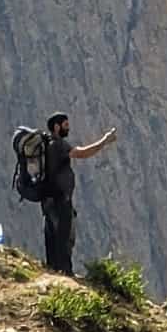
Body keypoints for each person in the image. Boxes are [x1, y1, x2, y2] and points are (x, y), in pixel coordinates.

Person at [40, 112, 116, 275]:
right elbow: (81, 153)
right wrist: (105, 141)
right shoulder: (59, 144)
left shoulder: (46, 146)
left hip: (47, 201)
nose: (68, 128)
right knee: (64, 238)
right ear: (56, 127)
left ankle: (53, 271)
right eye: (65, 125)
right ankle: (64, 273)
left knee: (52, 238)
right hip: (60, 201)